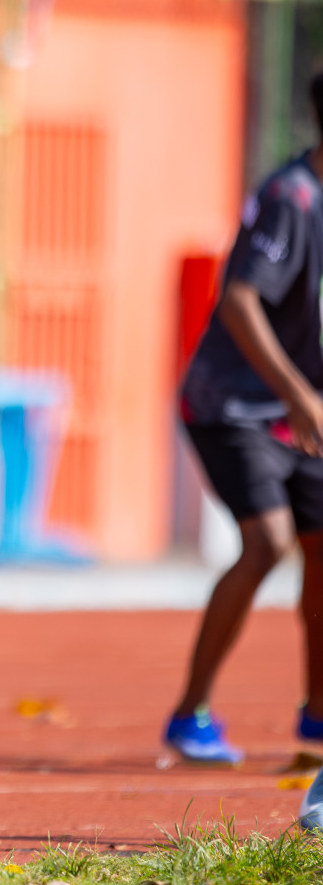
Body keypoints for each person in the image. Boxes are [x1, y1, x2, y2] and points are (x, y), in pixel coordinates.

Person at [167, 70, 323, 765]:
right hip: (235, 404)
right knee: (268, 542)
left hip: (300, 415)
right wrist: (296, 392)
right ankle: (188, 711)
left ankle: (319, 717)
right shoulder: (293, 197)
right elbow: (239, 299)